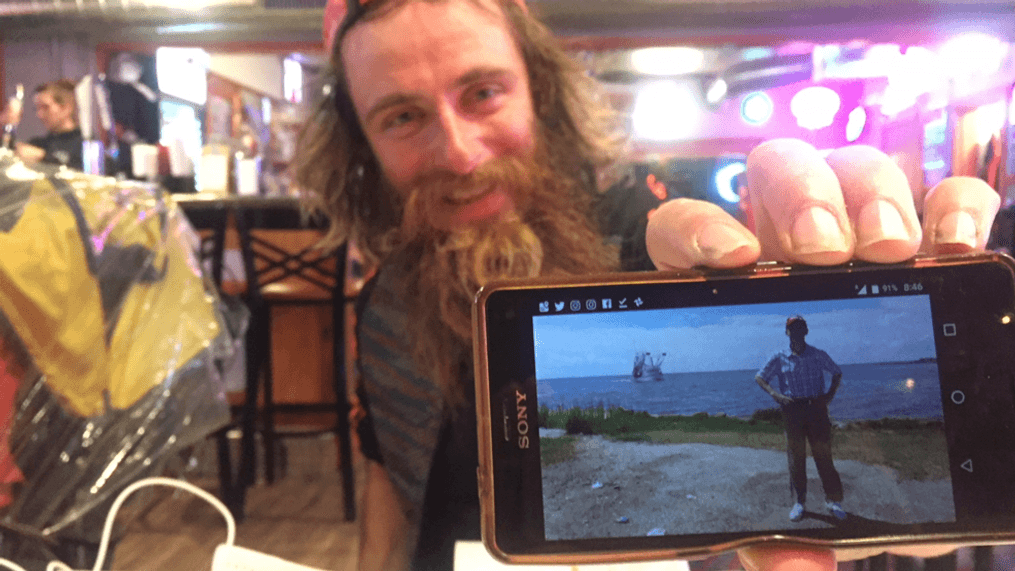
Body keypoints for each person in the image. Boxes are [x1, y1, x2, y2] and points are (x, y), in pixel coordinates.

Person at [297, 0, 1002, 569]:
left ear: (539, 94)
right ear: (361, 148)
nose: (456, 151)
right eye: (401, 116)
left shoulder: (648, 248)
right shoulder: (383, 302)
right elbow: (388, 488)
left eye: (482, 92)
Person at [756, 316, 845, 523]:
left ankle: (834, 501)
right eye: (792, 328)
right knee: (796, 459)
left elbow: (837, 372)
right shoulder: (779, 357)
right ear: (787, 332)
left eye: (800, 327)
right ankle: (799, 502)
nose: (796, 331)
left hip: (816, 410)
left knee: (823, 456)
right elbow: (760, 377)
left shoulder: (817, 355)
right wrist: (775, 394)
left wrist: (829, 395)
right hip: (792, 411)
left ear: (806, 330)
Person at [15, 80, 84, 170]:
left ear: (66, 108)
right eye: (37, 108)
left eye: (45, 107)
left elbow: (87, 173)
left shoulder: (85, 144)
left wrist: (44, 157)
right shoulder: (38, 144)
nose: (39, 114)